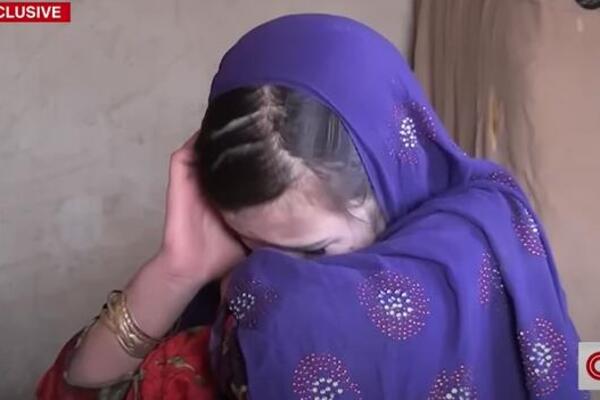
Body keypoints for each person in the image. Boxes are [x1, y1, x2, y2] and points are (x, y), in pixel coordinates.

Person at [37, 14, 588, 399]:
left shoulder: (479, 253)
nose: (258, 278)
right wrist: (178, 268)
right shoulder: (230, 315)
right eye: (247, 246)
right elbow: (70, 389)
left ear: (394, 181)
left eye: (313, 252)